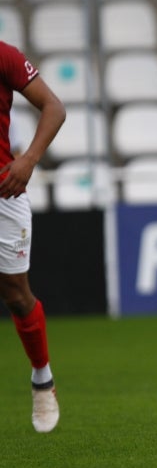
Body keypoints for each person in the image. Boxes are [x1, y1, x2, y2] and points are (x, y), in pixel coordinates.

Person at [0, 40, 67, 433]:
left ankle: (42, 377)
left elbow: (54, 108)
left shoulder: (4, 55)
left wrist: (27, 161)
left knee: (16, 294)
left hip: (3, 192)